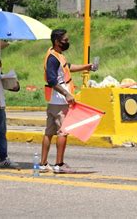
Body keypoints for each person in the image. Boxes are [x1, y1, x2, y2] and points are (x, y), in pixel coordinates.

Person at [40, 29, 95, 173]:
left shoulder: (57, 55)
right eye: (65, 40)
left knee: (49, 132)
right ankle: (59, 164)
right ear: (57, 42)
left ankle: (43, 163)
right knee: (62, 132)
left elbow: (67, 67)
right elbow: (52, 80)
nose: (67, 42)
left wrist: (86, 67)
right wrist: (67, 94)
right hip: (60, 101)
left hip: (54, 101)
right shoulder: (53, 58)